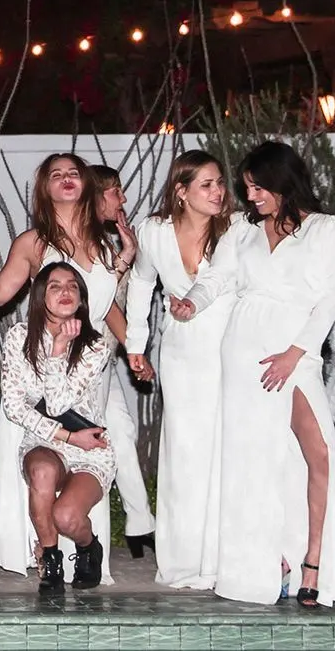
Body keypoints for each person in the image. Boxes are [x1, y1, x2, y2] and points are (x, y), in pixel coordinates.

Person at [187, 141, 335, 607]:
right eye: (247, 189)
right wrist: (191, 303)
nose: (250, 196)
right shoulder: (242, 231)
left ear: (281, 181)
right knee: (254, 461)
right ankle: (261, 563)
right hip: (244, 349)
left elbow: (330, 299)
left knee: (317, 452)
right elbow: (216, 279)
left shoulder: (324, 230)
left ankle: (314, 560)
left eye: (257, 187)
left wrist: (294, 354)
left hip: (294, 352)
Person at [0, 154, 136, 583]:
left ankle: (84, 542)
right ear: (44, 187)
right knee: (42, 462)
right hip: (38, 363)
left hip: (87, 360)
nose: (66, 180)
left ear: (85, 184)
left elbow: (106, 307)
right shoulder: (33, 242)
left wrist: (134, 348)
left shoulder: (103, 243)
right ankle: (42, 553)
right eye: (55, 175)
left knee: (98, 444)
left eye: (73, 173)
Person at [123, 150, 232, 590]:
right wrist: (135, 343)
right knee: (184, 453)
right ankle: (185, 558)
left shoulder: (235, 231)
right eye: (207, 184)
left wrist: (194, 302)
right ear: (181, 191)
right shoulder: (153, 232)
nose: (219, 192)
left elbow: (225, 279)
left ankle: (225, 556)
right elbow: (141, 283)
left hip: (229, 346)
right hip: (182, 353)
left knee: (226, 450)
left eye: (221, 183)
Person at [1, 261, 116, 593]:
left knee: (67, 517)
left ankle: (88, 547)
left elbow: (57, 404)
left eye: (72, 286)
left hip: (90, 450)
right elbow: (13, 405)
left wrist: (58, 352)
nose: (65, 292)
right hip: (46, 442)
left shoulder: (96, 347)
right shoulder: (20, 337)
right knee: (41, 472)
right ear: (40, 296)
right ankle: (49, 557)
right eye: (55, 286)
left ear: (81, 298)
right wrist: (66, 436)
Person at [88, 163, 156, 556]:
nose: (123, 198)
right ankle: (133, 525)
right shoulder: (86, 241)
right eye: (115, 191)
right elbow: (99, 302)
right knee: (108, 435)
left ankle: (139, 522)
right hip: (79, 361)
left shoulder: (106, 241)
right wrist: (126, 257)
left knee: (123, 431)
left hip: (104, 357)